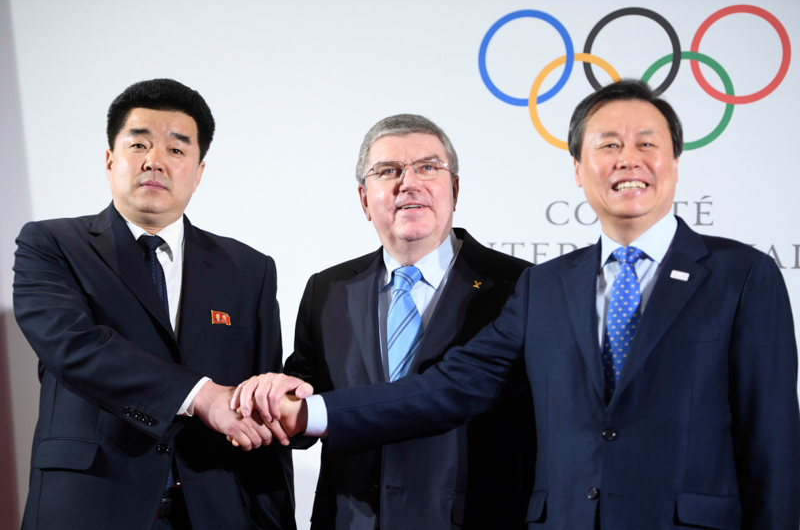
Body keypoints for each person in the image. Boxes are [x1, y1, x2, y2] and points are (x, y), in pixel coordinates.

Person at [244, 81, 800, 529]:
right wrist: (311, 411)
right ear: (579, 170)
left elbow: (772, 445)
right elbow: (451, 385)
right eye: (607, 145)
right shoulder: (548, 287)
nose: (628, 159)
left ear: (676, 161)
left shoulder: (742, 276)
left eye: (646, 143)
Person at [13, 79, 294, 530]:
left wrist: (273, 520)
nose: (154, 161)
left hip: (215, 511)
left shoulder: (249, 269)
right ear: (109, 161)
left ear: (200, 172)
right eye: (138, 144)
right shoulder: (51, 244)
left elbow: (259, 411)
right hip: (89, 506)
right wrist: (201, 395)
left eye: (177, 150)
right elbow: (74, 347)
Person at [235, 114, 533, 529]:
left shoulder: (519, 286)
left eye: (428, 168)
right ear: (363, 199)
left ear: (455, 189)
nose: (408, 183)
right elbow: (306, 396)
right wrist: (276, 394)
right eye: (388, 171)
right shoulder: (328, 288)